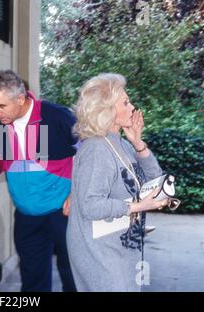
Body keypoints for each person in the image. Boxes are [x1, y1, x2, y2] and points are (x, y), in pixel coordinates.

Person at [0, 70, 77, 292]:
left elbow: (90, 154)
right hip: (27, 216)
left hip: (64, 213)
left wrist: (78, 193)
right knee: (33, 283)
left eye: (1, 106)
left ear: (20, 99)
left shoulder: (57, 116)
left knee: (74, 277)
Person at [67, 73, 169, 292]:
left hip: (121, 244)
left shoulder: (119, 142)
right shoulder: (97, 148)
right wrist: (138, 206)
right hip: (100, 251)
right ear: (107, 110)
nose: (132, 107)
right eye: (125, 102)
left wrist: (138, 143)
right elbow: (90, 205)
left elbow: (154, 180)